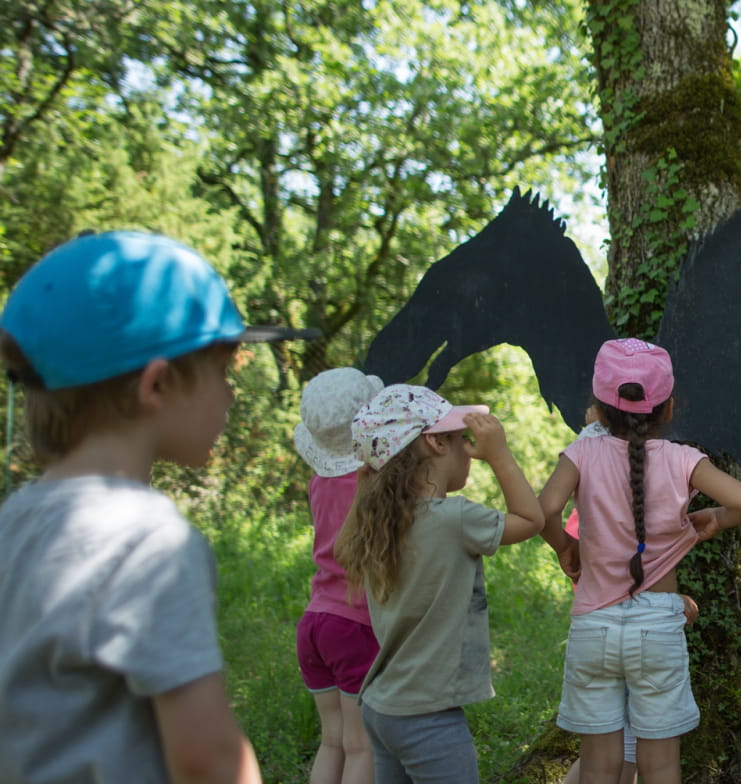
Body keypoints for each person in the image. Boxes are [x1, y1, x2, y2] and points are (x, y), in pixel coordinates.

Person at [0, 231, 315, 782]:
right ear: (157, 385)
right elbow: (208, 758)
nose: (231, 396)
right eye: (223, 375)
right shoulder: (148, 542)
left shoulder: (15, 523)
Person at [538, 338, 741, 784]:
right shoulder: (682, 460)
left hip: (593, 625)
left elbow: (543, 511)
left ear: (597, 410)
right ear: (669, 408)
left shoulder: (581, 453)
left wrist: (566, 546)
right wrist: (713, 518)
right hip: (658, 627)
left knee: (598, 766)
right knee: (660, 766)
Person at [334, 384, 546, 782]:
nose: (470, 450)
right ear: (434, 443)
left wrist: (368, 479)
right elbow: (531, 520)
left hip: (382, 707)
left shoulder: (383, 522)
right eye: (463, 440)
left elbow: (344, 550)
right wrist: (500, 455)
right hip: (427, 719)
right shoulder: (454, 518)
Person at [293, 367, 386, 784]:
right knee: (360, 745)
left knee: (332, 742)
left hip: (315, 622)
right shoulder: (373, 484)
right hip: (355, 624)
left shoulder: (319, 482)